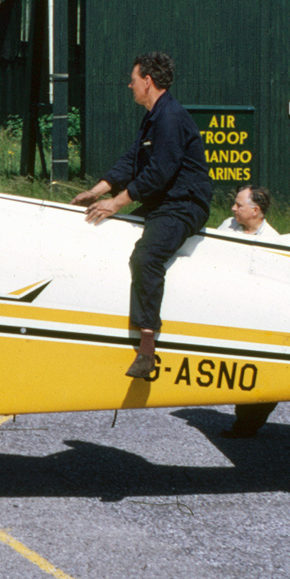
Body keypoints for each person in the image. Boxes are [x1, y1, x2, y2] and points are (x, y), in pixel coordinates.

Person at [73, 51, 212, 379]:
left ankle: (147, 347)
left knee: (146, 256)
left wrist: (116, 202)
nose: (129, 85)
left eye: (133, 80)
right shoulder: (154, 116)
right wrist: (96, 191)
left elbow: (159, 173)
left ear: (147, 81)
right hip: (164, 199)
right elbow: (134, 160)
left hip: (183, 204)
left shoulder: (170, 118)